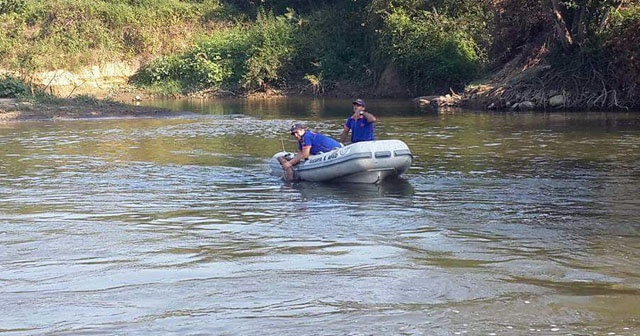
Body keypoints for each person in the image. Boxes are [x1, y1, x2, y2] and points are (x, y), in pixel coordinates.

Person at [277, 123, 342, 181]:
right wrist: (293, 160)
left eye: (297, 132)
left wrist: (289, 163)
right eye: (293, 134)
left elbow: (304, 155)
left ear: (302, 130)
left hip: (335, 150)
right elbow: (300, 153)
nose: (296, 135)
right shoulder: (301, 139)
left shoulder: (306, 137)